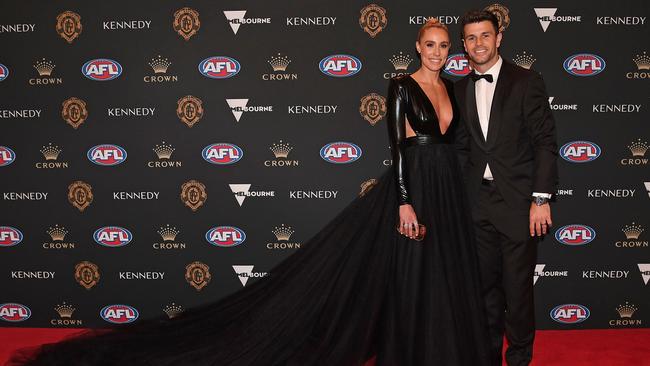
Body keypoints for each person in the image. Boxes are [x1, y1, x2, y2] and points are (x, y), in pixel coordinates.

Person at [10, 19, 490, 366]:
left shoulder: (454, 86)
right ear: (417, 45)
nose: (437, 51)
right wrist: (403, 200)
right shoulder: (401, 86)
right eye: (430, 44)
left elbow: (459, 145)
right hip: (414, 184)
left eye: (444, 45)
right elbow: (398, 148)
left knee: (441, 270)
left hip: (446, 185)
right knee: (409, 270)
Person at [454, 10, 559, 366]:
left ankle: (518, 360)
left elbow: (545, 142)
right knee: (482, 294)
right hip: (476, 205)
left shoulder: (526, 81)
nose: (478, 44)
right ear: (464, 45)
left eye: (485, 35)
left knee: (517, 294)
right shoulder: (459, 88)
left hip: (518, 204)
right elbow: (461, 150)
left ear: (499, 38)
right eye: (471, 38)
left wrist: (541, 198)